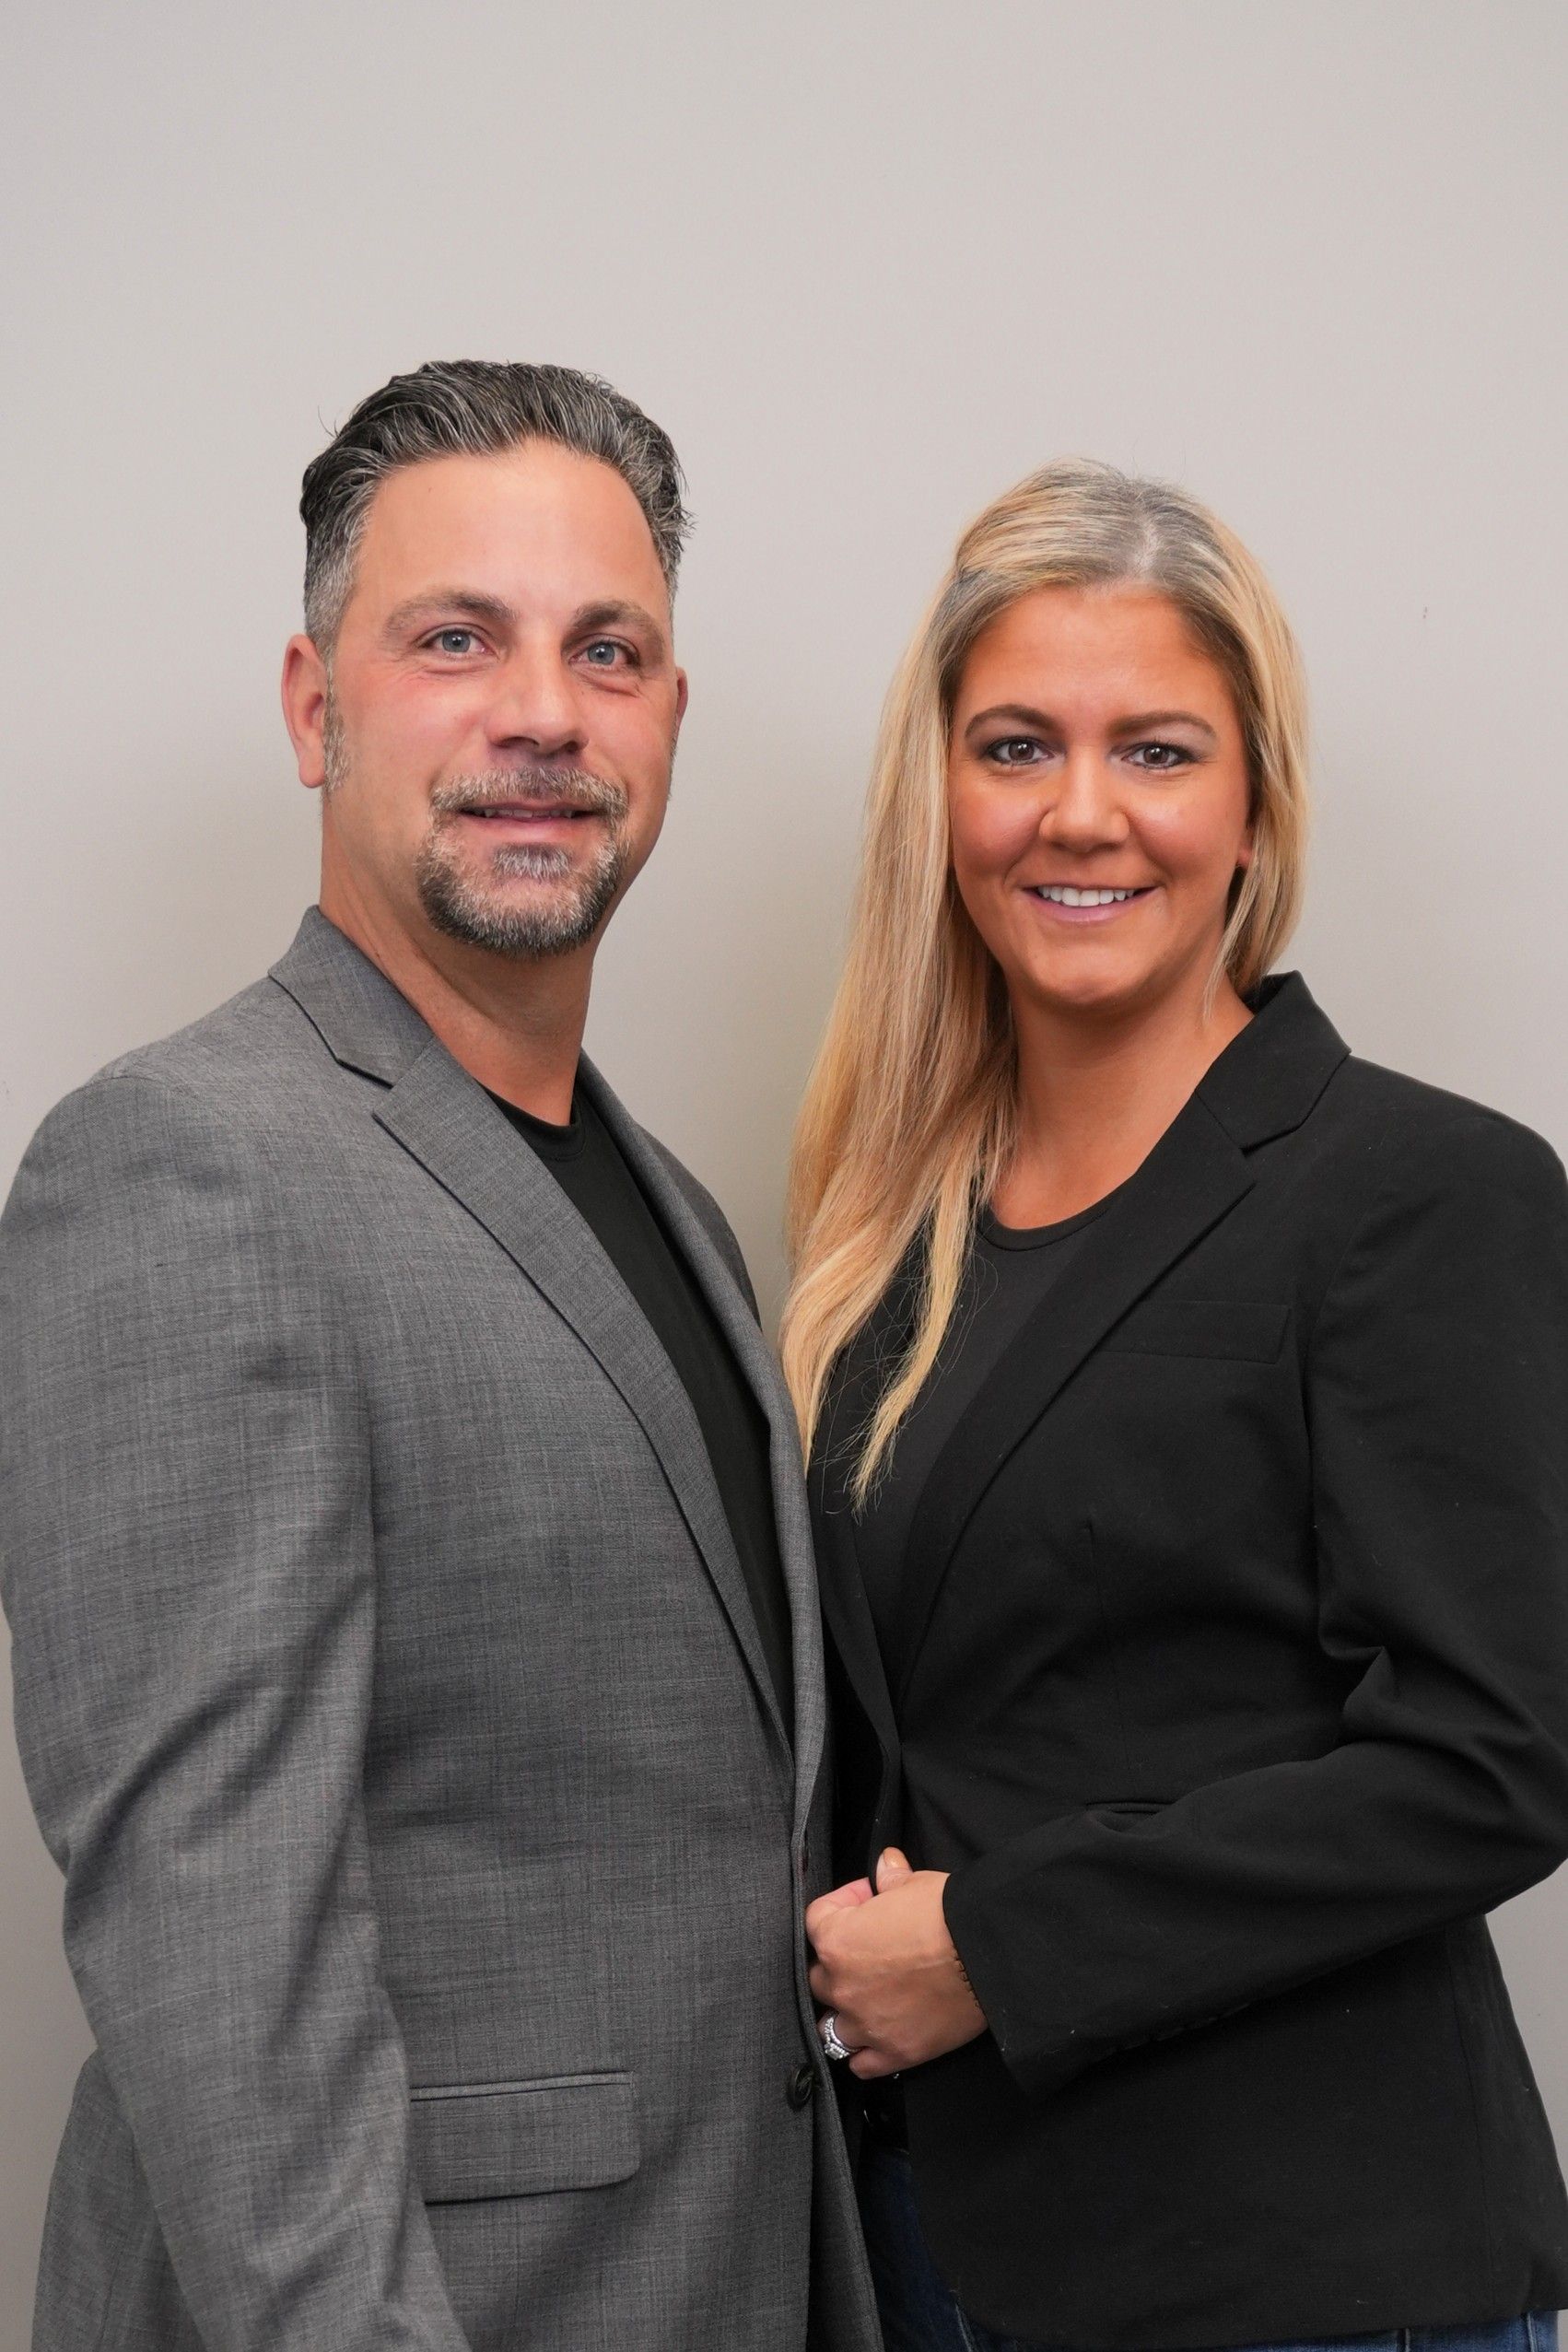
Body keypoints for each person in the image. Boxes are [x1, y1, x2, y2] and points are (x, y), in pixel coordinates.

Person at [0, 362, 879, 2352]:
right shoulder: (185, 1165)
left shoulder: (661, 1195)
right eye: (453, 639)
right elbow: (217, 1940)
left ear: (668, 717)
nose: (542, 713)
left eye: (608, 649)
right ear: (317, 709)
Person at [786, 459, 1568, 2352]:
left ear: (1249, 805)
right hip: (952, 2252)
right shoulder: (891, 1240)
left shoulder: (1407, 1188)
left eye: (1151, 749)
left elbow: (1498, 1752)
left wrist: (992, 1945)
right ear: (937, 795)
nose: (1076, 813)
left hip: (1304, 2273)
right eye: (1011, 744)